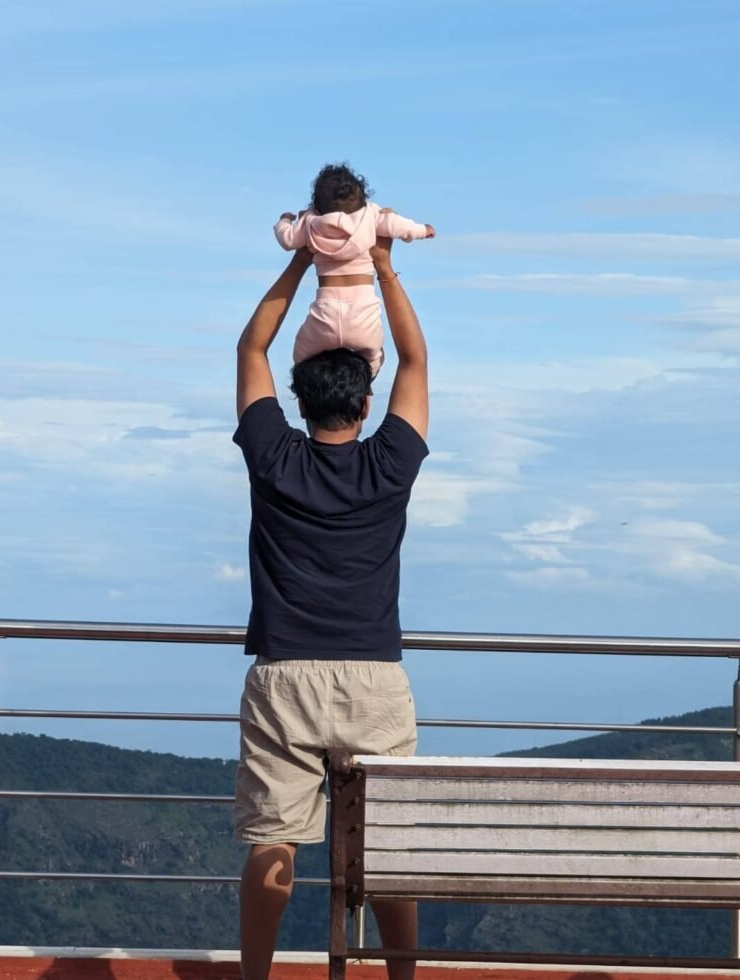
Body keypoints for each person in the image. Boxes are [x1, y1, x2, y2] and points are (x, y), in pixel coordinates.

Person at [232, 232, 429, 980]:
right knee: (386, 848)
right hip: (376, 678)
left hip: (285, 673)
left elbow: (251, 348)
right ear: (368, 402)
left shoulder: (274, 458)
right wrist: (377, 265)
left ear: (295, 393)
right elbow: (415, 359)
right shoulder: (390, 464)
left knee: (274, 841)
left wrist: (300, 262)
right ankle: (402, 979)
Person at [274, 162, 434, 377]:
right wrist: (423, 230)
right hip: (363, 311)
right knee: (374, 359)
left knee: (301, 357)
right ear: (362, 200)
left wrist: (285, 220)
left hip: (324, 312)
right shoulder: (372, 215)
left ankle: (308, 389)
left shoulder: (310, 223)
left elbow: (287, 239)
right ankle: (365, 386)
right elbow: (401, 227)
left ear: (317, 205)